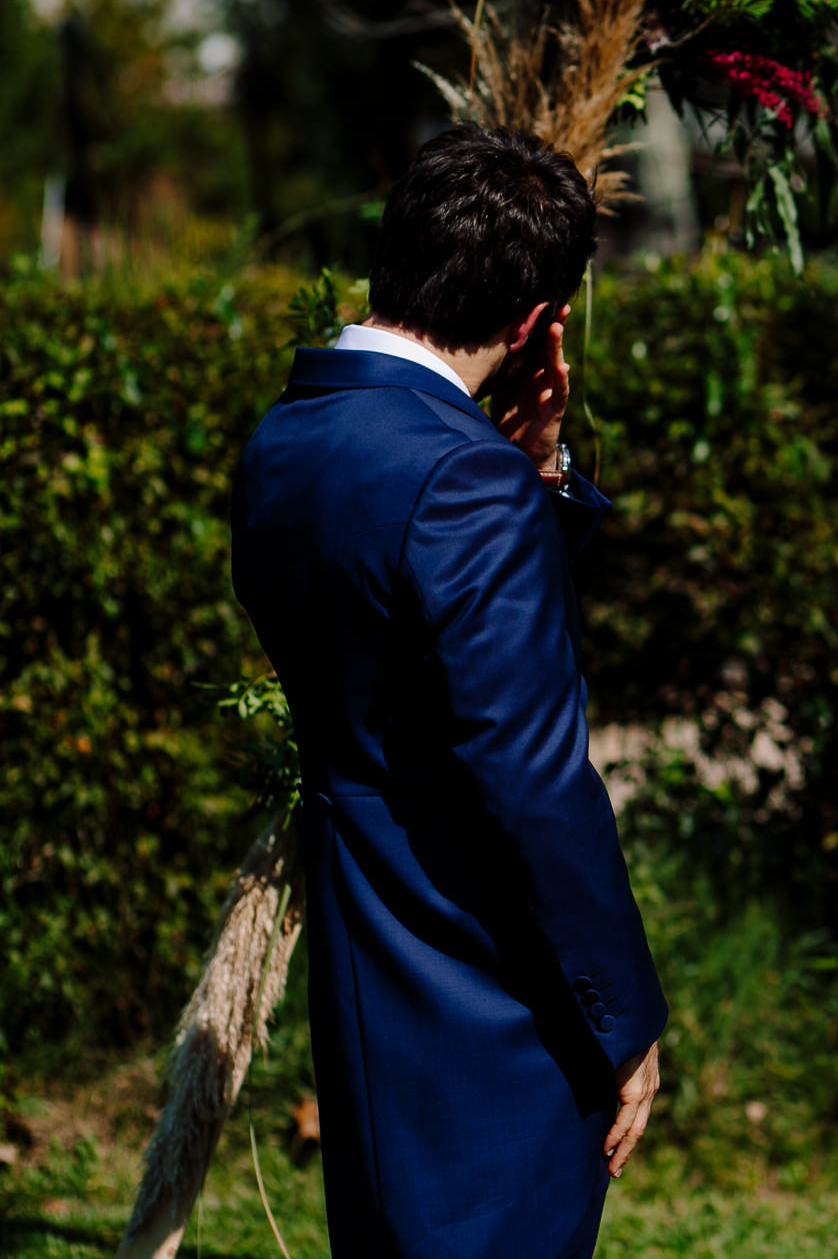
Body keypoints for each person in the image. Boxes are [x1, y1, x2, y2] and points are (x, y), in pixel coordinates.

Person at [231, 124, 667, 1257]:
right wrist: (625, 1016)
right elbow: (529, 775)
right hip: (477, 978)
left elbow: (424, 655)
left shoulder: (291, 433)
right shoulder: (460, 479)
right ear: (533, 324)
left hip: (364, 940)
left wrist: (537, 474)